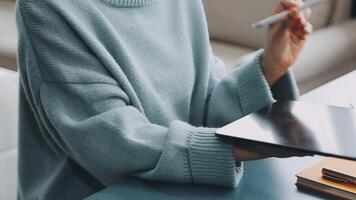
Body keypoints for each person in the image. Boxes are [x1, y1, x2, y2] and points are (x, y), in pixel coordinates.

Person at [16, 0, 312, 199]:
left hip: (181, 188)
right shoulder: (46, 7)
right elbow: (110, 141)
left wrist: (269, 66)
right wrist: (232, 146)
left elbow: (205, 104)